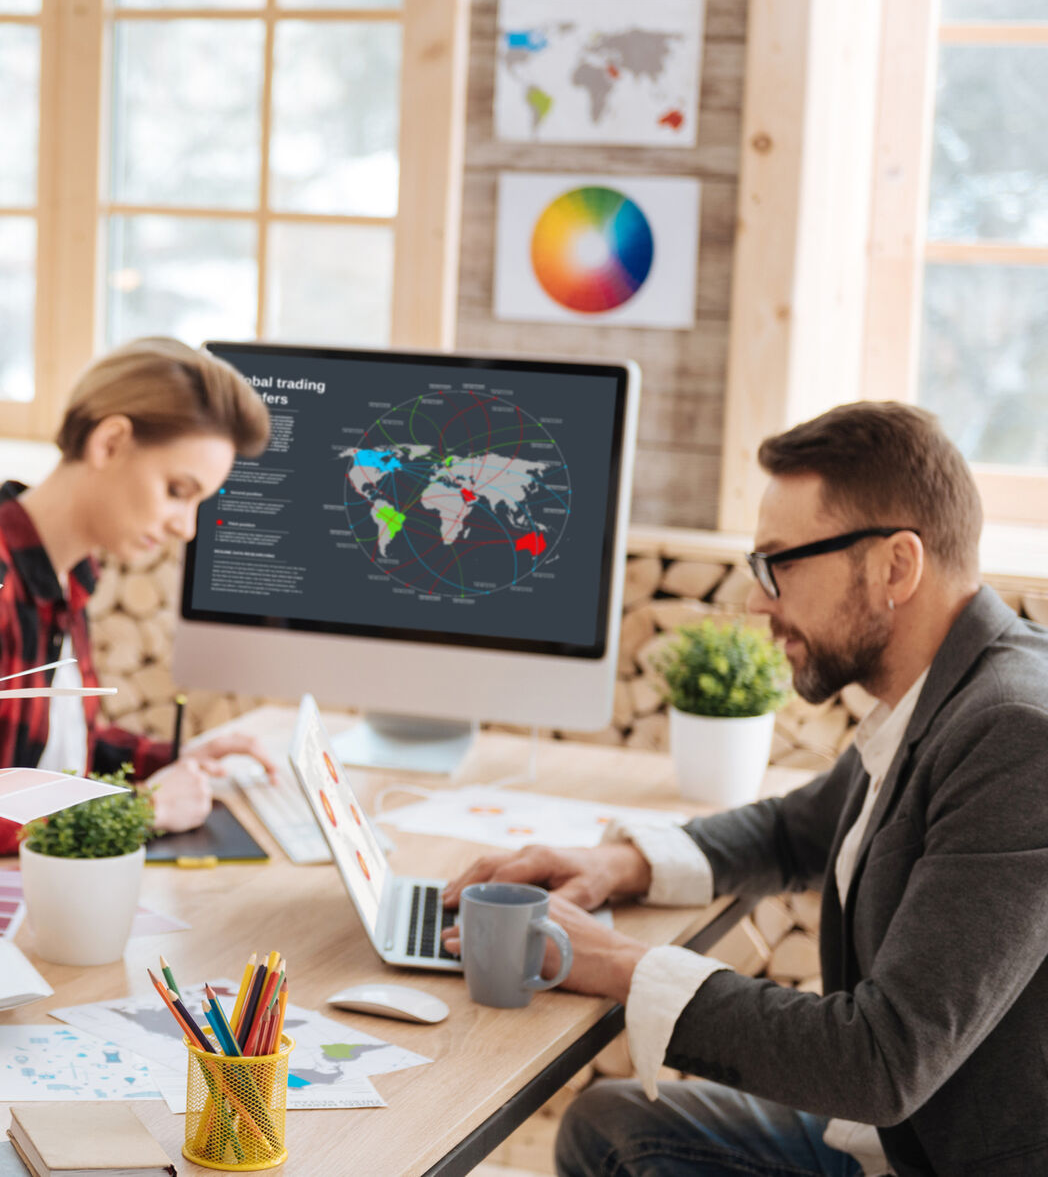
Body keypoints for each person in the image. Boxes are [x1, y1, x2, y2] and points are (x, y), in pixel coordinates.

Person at [439, 402, 1048, 1177]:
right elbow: (795, 830)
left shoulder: (1017, 733)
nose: (758, 601)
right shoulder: (944, 690)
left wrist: (619, 963)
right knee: (608, 1124)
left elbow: (880, 1059)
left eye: (778, 564)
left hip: (935, 1158)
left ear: (897, 565)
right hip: (885, 1139)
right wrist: (617, 862)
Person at [0, 338, 285, 890]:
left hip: (16, 887)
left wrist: (177, 756)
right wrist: (140, 808)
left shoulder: (66, 576)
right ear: (110, 443)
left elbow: (65, 746)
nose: (186, 526)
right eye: (178, 491)